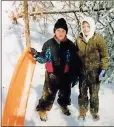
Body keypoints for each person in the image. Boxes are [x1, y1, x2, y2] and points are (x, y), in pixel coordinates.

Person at [30, 18, 82, 121]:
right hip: (51, 74)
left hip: (65, 74)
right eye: (58, 30)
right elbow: (43, 58)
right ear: (54, 31)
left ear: (66, 32)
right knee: (48, 94)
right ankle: (43, 109)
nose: (60, 33)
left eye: (63, 30)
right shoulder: (48, 44)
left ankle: (63, 104)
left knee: (65, 93)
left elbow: (75, 62)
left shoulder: (71, 45)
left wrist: (76, 76)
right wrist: (36, 55)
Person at [75, 16, 109, 120]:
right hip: (82, 72)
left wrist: (103, 70)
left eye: (88, 26)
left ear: (92, 27)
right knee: (82, 92)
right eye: (83, 26)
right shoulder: (78, 40)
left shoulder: (98, 39)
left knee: (94, 94)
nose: (85, 29)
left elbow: (105, 55)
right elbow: (74, 55)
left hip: (95, 73)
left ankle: (94, 111)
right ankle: (83, 110)